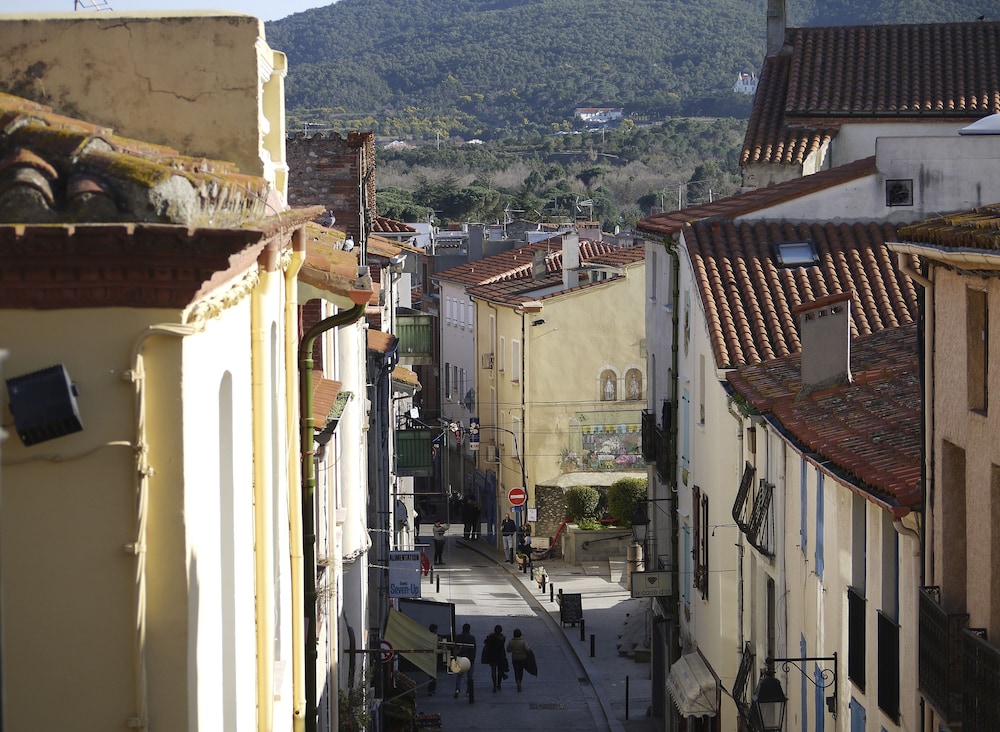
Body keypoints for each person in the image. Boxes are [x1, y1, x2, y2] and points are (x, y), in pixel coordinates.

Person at [480, 624, 507, 692]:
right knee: (500, 671)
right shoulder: (503, 638)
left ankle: (494, 685)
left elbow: (485, 642)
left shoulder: (491, 637)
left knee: (493, 671)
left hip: (492, 656)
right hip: (500, 656)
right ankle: (499, 684)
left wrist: (489, 635)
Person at [453, 622, 476, 699]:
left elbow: (455, 648)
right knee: (469, 677)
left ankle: (457, 690)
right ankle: (468, 691)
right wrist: (473, 659)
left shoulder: (458, 637)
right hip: (469, 659)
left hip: (460, 658)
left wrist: (455, 657)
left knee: (459, 676)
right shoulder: (472, 638)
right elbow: (474, 650)